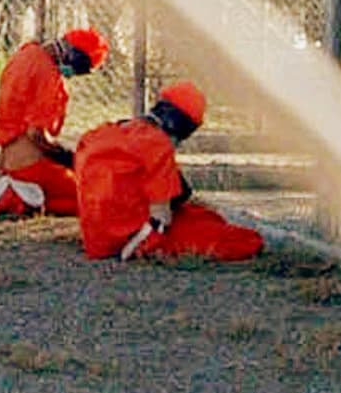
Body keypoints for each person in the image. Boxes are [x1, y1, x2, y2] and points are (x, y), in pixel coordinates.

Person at [72, 81, 264, 262]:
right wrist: (148, 244)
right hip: (128, 235)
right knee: (246, 240)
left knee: (201, 214)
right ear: (183, 126)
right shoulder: (157, 144)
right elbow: (161, 216)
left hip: (96, 237)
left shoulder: (101, 132)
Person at [0, 28, 109, 218]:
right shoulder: (48, 75)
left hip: (11, 158)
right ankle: (16, 196)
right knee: (94, 199)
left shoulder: (26, 54)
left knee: (64, 199)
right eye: (81, 68)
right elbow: (36, 134)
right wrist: (67, 157)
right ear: (73, 56)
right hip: (31, 164)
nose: (76, 74)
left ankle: (22, 194)